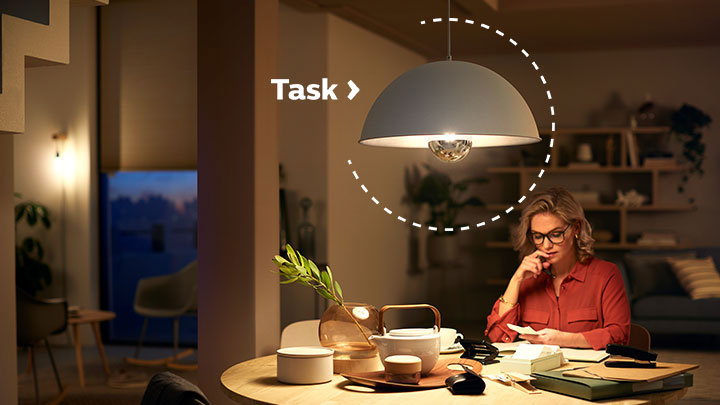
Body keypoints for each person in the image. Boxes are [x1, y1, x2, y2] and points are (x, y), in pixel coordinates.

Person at [485, 187, 630, 350]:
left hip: (587, 373)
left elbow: (619, 336)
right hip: (535, 372)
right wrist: (516, 280)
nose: (546, 245)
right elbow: (498, 338)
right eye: (538, 236)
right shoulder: (528, 279)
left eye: (555, 234)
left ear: (576, 228)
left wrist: (564, 339)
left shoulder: (606, 275)